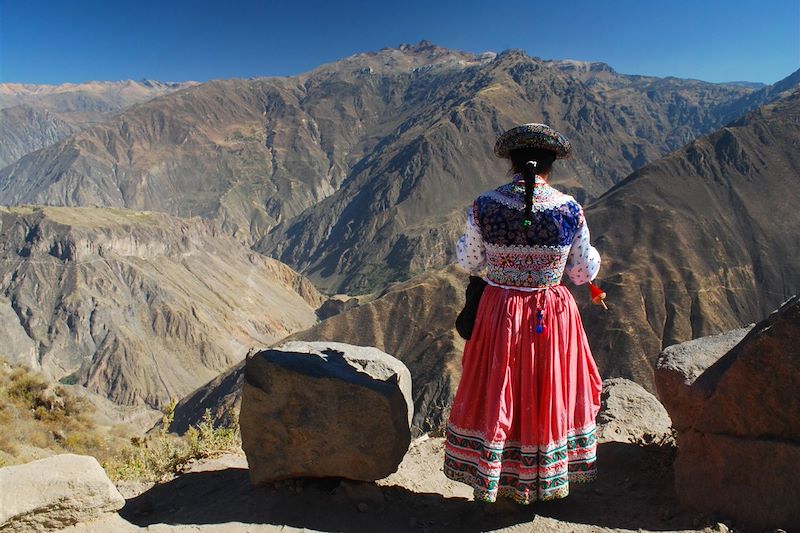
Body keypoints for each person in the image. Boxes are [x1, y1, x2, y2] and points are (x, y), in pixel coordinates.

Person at [444, 123, 603, 504]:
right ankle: (541, 478)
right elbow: (582, 272)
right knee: (544, 388)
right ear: (552, 164)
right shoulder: (568, 209)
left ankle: (499, 475)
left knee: (502, 386)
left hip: (500, 310)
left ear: (511, 163)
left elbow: (469, 260)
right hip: (550, 313)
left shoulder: (485, 205)